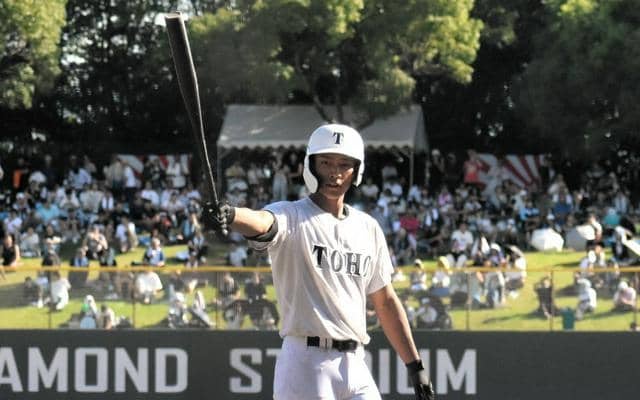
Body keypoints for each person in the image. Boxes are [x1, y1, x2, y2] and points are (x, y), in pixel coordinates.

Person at [206, 124, 433, 399]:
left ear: (357, 170)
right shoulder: (291, 215)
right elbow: (263, 222)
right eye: (325, 162)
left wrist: (415, 366)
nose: (335, 172)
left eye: (344, 164)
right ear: (310, 165)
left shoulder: (368, 227)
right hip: (305, 361)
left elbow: (385, 302)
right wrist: (232, 214)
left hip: (356, 363)